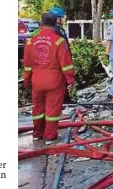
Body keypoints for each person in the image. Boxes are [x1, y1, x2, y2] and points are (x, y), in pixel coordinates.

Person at [23, 13, 75, 143]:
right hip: (54, 80)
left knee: (37, 108)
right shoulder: (59, 41)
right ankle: (50, 137)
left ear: (41, 23)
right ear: (55, 23)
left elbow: (27, 64)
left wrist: (27, 80)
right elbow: (66, 64)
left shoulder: (31, 41)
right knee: (52, 109)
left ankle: (37, 134)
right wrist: (70, 80)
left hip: (37, 80)